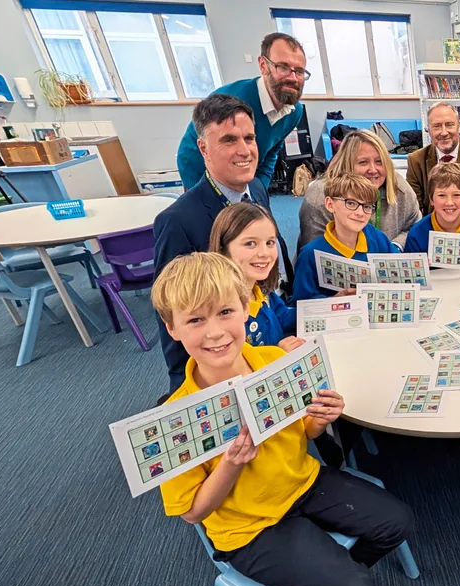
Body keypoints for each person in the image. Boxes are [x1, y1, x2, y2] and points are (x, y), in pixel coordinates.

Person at [153, 252, 413, 586]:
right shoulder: (176, 417)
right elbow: (194, 513)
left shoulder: (275, 360)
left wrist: (320, 420)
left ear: (245, 307)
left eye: (226, 312)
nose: (214, 332)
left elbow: (302, 433)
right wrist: (231, 463)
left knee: (398, 522)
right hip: (248, 526)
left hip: (303, 482)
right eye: (195, 319)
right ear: (172, 328)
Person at [155, 94, 295, 393]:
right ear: (203, 148)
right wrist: (190, 392)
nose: (244, 150)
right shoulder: (178, 220)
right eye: (229, 140)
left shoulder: (256, 188)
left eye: (249, 138)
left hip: (275, 315)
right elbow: (171, 309)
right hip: (233, 357)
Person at [177, 33, 308, 192]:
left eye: (299, 71)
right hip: (198, 164)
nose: (293, 78)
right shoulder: (235, 101)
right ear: (263, 65)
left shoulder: (295, 112)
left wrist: (259, 193)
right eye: (283, 67)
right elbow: (210, 152)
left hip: (239, 164)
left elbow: (270, 155)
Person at [298, 130, 420, 250]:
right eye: (363, 162)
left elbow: (414, 227)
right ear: (346, 165)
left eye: (379, 162)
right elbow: (314, 252)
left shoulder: (400, 189)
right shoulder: (320, 196)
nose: (373, 169)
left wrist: (394, 248)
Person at [209, 202, 301, 348]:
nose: (264, 253)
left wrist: (325, 309)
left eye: (270, 242)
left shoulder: (261, 291)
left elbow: (282, 316)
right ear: (223, 249)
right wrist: (278, 354)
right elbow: (235, 364)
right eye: (250, 244)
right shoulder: (223, 312)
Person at [293, 174, 396, 300]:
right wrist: (333, 301)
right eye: (351, 203)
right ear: (330, 204)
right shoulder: (310, 254)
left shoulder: (378, 239)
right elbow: (300, 303)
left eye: (367, 206)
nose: (360, 213)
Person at [406, 102, 460, 210]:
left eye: (449, 124)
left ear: (458, 126)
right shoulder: (416, 160)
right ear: (429, 130)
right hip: (432, 224)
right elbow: (415, 208)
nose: (444, 132)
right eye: (437, 126)